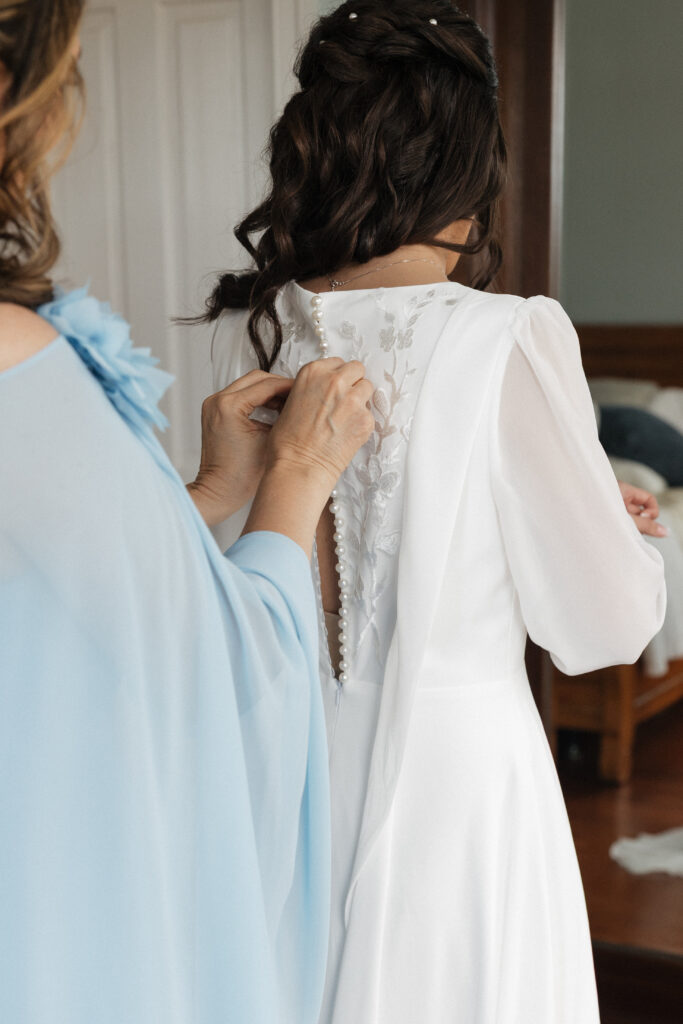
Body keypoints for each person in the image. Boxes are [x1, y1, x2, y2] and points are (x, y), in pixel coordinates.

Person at [206, 2, 668, 1021]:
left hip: (305, 781)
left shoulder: (288, 329)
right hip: (459, 795)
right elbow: (600, 626)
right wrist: (625, 534)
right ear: (466, 163)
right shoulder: (503, 335)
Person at [0, 2, 374, 1022]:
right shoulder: (14, 360)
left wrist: (209, 495)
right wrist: (296, 476)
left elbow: (56, 590)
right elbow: (215, 666)